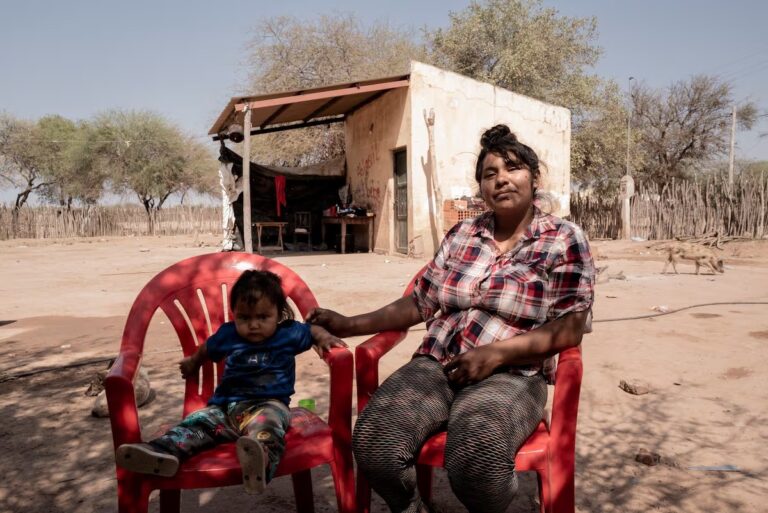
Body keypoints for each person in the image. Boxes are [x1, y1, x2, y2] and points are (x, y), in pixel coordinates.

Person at [308, 125, 595, 513]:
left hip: (513, 374)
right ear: (480, 187)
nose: (502, 179)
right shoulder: (463, 234)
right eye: (490, 173)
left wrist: (496, 354)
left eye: (513, 168)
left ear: (534, 177)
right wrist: (348, 323)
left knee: (478, 459)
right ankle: (410, 505)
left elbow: (570, 325)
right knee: (375, 441)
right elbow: (419, 303)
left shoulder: (563, 238)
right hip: (437, 364)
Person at [115, 269, 346, 494]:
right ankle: (162, 451)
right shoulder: (229, 335)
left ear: (279, 314)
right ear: (234, 313)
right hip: (224, 410)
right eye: (244, 317)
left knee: (267, 428)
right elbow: (208, 348)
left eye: (263, 317)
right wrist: (193, 362)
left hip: (268, 405)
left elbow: (312, 329)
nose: (253, 325)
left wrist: (324, 337)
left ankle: (259, 462)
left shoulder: (288, 333)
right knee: (197, 424)